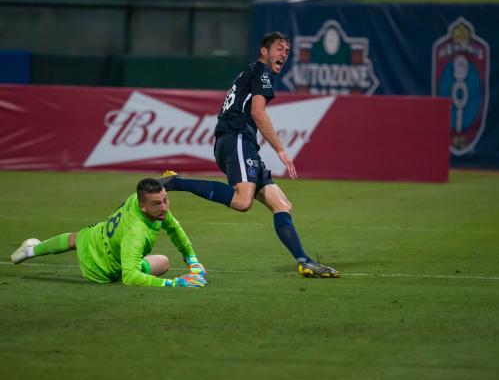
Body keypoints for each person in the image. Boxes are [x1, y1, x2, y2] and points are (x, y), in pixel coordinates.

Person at [158, 31, 340, 278]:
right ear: (264, 51)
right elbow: (257, 113)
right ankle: (175, 181)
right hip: (238, 139)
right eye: (278, 48)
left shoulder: (250, 71)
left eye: (287, 51)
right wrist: (281, 150)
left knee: (282, 205)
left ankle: (304, 261)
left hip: (234, 141)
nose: (284, 54)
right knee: (243, 201)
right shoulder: (262, 72)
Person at [11, 178, 207, 288]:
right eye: (157, 203)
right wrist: (176, 283)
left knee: (74, 238)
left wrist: (193, 261)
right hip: (100, 273)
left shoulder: (140, 200)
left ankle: (31, 250)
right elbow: (130, 278)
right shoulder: (136, 233)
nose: (164, 207)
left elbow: (174, 228)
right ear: (143, 207)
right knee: (150, 266)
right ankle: (31, 250)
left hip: (95, 237)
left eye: (165, 200)